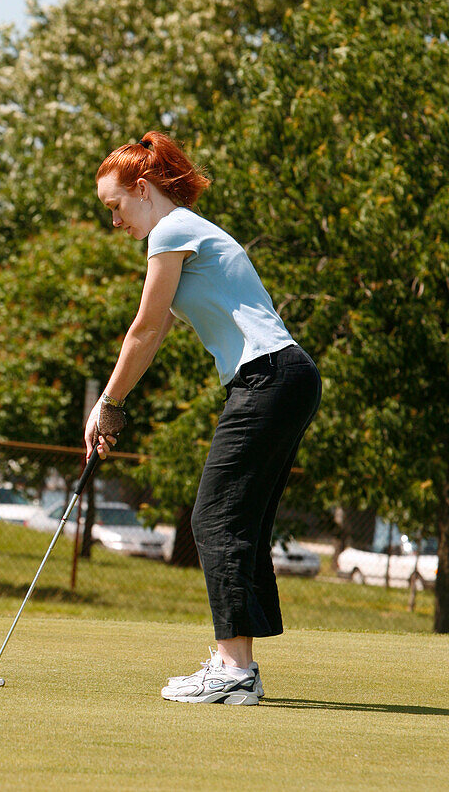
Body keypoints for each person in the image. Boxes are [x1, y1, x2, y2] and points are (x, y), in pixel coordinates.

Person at [84, 131, 322, 706]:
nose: (115, 222)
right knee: (238, 520)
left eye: (115, 207)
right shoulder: (186, 231)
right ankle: (235, 664)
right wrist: (115, 405)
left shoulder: (171, 230)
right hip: (284, 377)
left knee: (214, 519)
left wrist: (107, 404)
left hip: (268, 376)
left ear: (142, 189)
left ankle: (234, 669)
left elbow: (141, 329)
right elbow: (158, 329)